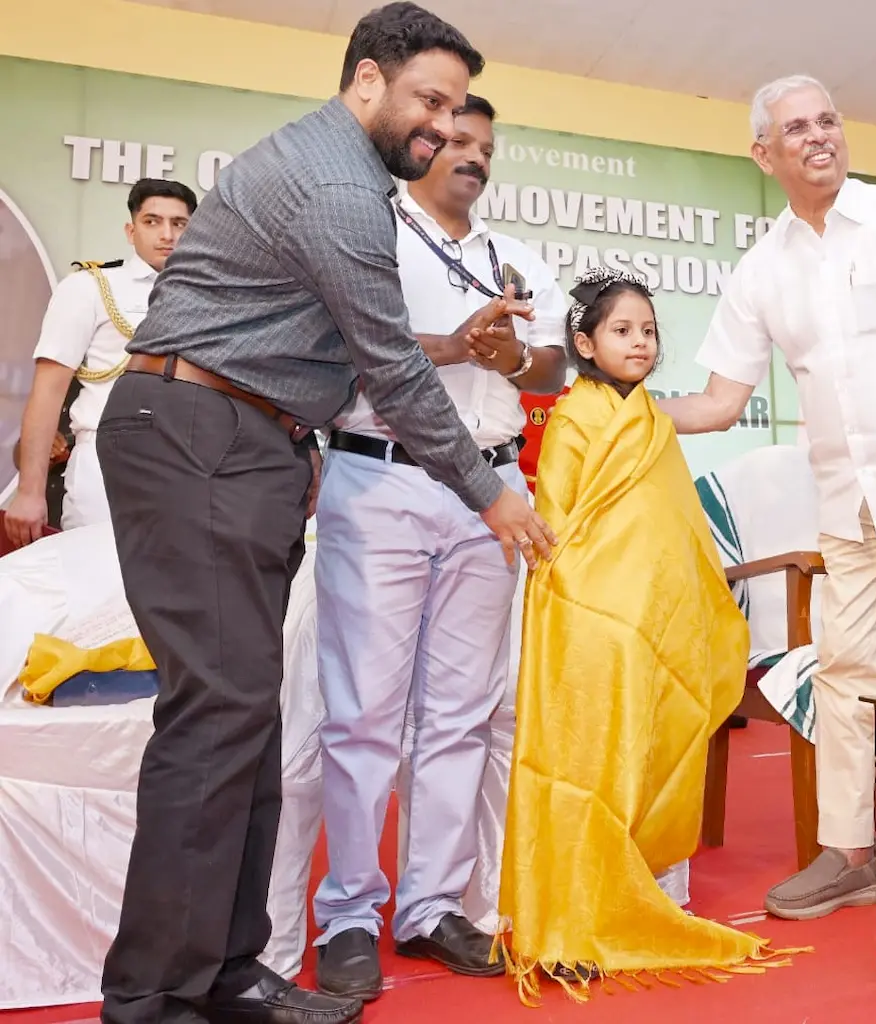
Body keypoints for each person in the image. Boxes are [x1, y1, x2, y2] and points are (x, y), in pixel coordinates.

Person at [95, 6, 558, 1024]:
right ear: (367, 81)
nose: (443, 128)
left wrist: (296, 444)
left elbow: (332, 344)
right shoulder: (340, 187)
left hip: (238, 438)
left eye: (456, 111)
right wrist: (490, 493)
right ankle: (153, 999)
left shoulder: (343, 177)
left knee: (242, 718)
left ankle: (222, 974)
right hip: (198, 432)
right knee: (217, 720)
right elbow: (386, 364)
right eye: (429, 101)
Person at [660, 74, 876, 919]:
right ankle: (850, 852)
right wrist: (615, 409)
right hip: (848, 500)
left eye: (827, 120)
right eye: (797, 127)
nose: (818, 136)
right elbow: (721, 401)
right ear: (763, 153)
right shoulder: (762, 269)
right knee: (847, 671)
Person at [310, 93, 568, 1001]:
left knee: (462, 713)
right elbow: (341, 344)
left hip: (491, 496)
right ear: (419, 144)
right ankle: (348, 913)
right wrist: (455, 346)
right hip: (383, 479)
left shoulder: (514, 256)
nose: (473, 156)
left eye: (485, 146)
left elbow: (554, 366)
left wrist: (508, 359)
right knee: (364, 715)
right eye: (456, 139)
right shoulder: (369, 236)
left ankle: (430, 907)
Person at [499, 267, 786, 993]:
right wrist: (592, 608)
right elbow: (562, 526)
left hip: (658, 619)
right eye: (623, 330)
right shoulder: (573, 417)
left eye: (649, 331)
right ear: (584, 343)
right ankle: (580, 907)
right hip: (593, 621)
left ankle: (653, 892)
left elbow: (669, 520)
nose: (640, 343)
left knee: (661, 744)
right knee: (590, 758)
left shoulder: (653, 419)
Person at [5, 178, 196, 547]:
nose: (167, 234)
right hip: (107, 459)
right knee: (94, 573)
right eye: (152, 221)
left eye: (179, 223)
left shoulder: (211, 297)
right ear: (131, 230)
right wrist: (30, 491)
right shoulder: (90, 287)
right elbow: (48, 390)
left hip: (189, 466)